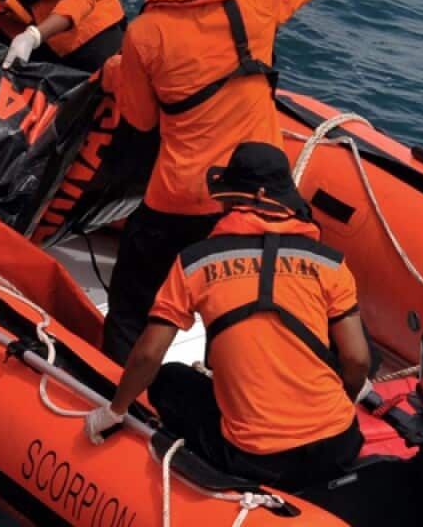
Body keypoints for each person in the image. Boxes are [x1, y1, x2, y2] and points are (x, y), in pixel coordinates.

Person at [99, 0, 334, 363]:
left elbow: (143, 122)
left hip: (183, 199)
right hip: (260, 193)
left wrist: (118, 73)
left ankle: (118, 390)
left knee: (130, 308)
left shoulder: (145, 33)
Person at [84, 143, 371, 491]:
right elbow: (357, 359)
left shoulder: (195, 262)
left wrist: (115, 410)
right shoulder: (331, 263)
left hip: (257, 458)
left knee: (169, 378)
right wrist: (339, 402)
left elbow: (147, 354)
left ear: (246, 198)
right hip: (339, 445)